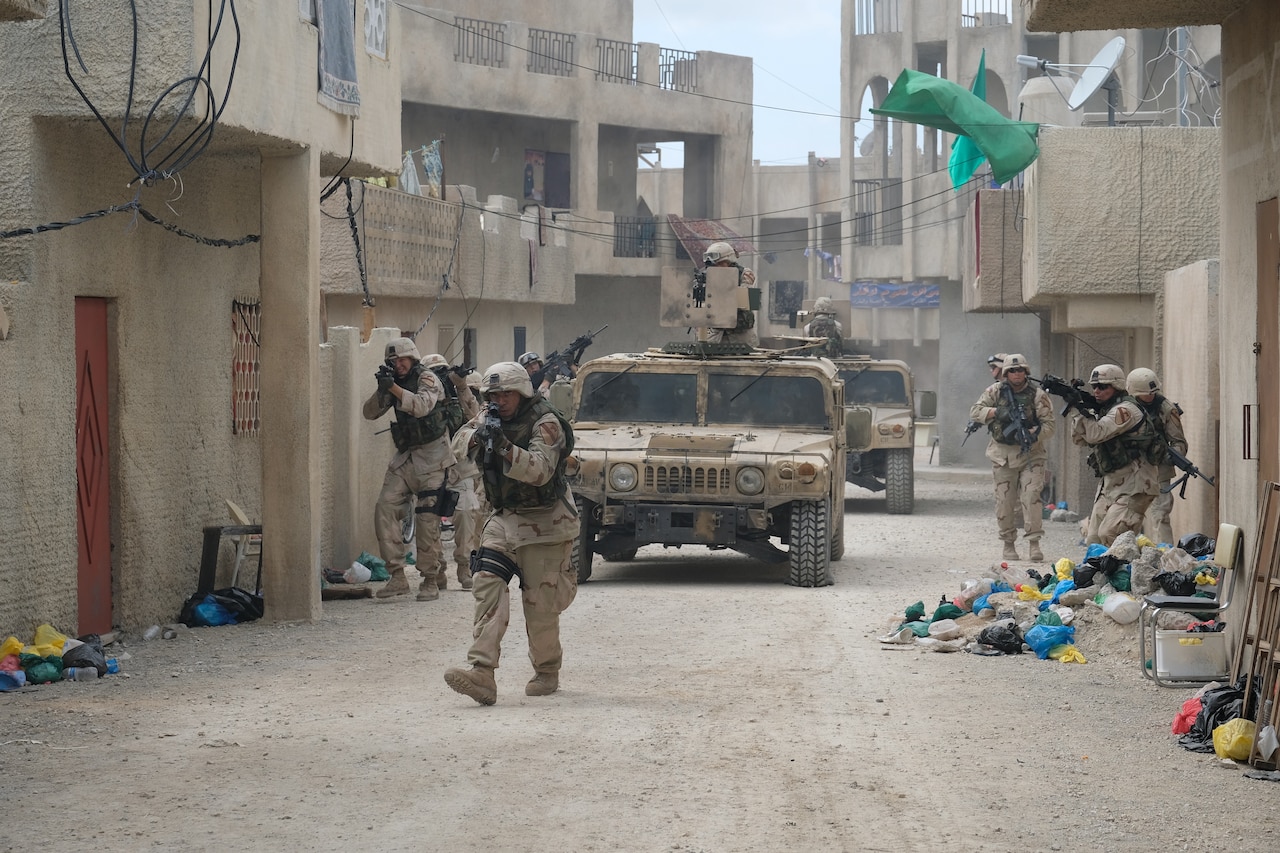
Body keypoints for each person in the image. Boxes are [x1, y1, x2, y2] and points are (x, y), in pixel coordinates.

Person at [444, 361, 579, 705]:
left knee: (541, 608)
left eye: (506, 394)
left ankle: (547, 670)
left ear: (521, 394)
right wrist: (478, 435)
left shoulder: (546, 423)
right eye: (493, 395)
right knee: (487, 582)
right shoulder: (489, 416)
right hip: (504, 519)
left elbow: (540, 471)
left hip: (547, 524)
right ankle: (482, 673)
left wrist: (505, 447)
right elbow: (458, 445)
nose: (499, 401)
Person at [362, 338, 458, 601]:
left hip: (433, 458)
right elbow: (369, 413)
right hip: (406, 458)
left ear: (413, 359)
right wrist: (383, 390)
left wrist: (392, 387)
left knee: (427, 520)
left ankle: (430, 578)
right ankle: (397, 575)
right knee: (385, 508)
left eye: (402, 360)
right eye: (393, 361)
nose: (398, 364)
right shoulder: (394, 383)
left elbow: (421, 406)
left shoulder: (427, 378)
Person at [969, 353, 1056, 562]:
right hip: (1003, 456)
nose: (1016, 374)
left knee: (1031, 497)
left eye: (1020, 370)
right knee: (1005, 502)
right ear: (1006, 373)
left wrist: (1035, 434)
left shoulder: (1038, 395)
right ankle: (1008, 543)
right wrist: (998, 413)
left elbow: (1050, 425)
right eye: (1012, 371)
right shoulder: (995, 391)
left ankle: (1034, 543)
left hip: (1031, 454)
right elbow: (975, 412)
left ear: (1026, 372)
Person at [1070, 363, 1161, 546]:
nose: (1097, 391)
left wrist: (1083, 412)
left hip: (1135, 483)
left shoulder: (1125, 410)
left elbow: (1096, 434)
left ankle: (1128, 572)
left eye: (1103, 386)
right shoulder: (1105, 410)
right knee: (1094, 538)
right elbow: (1080, 439)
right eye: (1094, 386)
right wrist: (1080, 411)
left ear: (1117, 386)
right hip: (1111, 483)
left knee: (1111, 536)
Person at [1128, 368, 1188, 545]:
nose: (1150, 397)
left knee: (1160, 514)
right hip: (1131, 468)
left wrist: (1169, 456)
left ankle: (1165, 556)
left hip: (1157, 469)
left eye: (1153, 393)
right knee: (1129, 514)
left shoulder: (1166, 409)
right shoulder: (1126, 407)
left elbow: (1179, 442)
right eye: (1146, 394)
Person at [445, 371, 487, 590]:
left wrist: (464, 390)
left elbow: (476, 418)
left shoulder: (478, 410)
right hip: (436, 467)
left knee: (468, 518)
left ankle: (466, 567)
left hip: (466, 469)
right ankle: (435, 571)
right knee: (428, 520)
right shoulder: (439, 402)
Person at [701, 241, 758, 347]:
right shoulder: (707, 276)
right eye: (714, 265)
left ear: (729, 262)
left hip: (740, 336)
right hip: (716, 336)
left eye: (720, 264)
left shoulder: (744, 274)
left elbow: (745, 301)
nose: (716, 268)